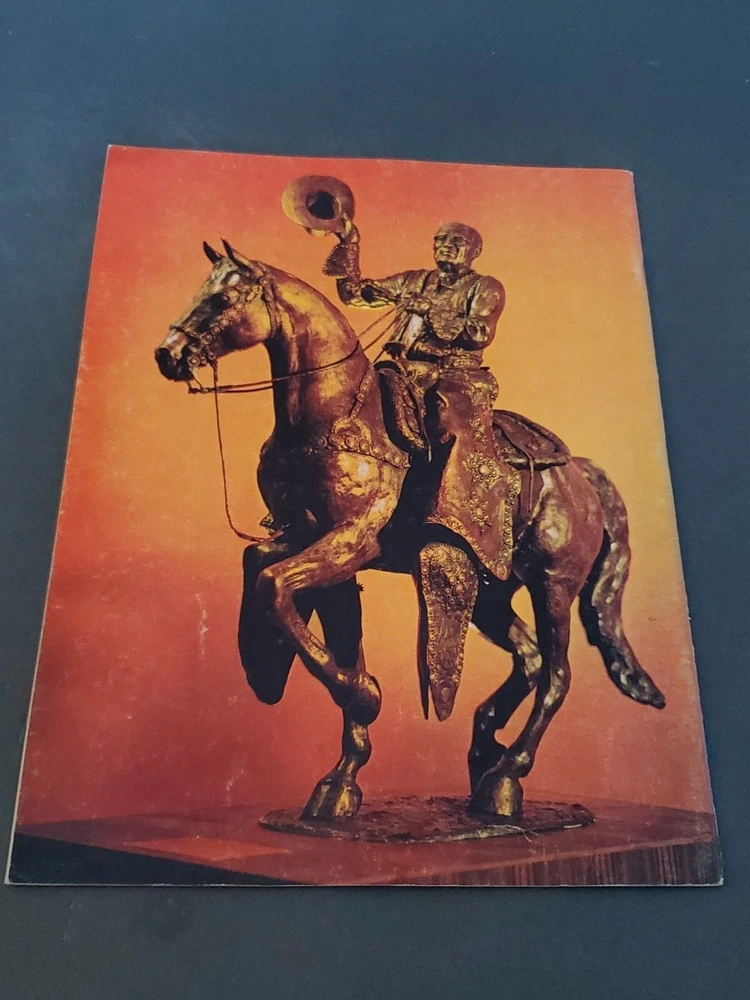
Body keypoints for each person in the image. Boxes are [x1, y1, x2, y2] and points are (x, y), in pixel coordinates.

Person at [322, 218, 520, 583]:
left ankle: (458, 511)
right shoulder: (414, 280)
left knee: (449, 423)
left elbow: (479, 332)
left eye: (456, 241)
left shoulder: (485, 287)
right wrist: (349, 241)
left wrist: (430, 309)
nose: (446, 245)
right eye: (440, 239)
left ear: (474, 251)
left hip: (456, 375)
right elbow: (357, 293)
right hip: (405, 370)